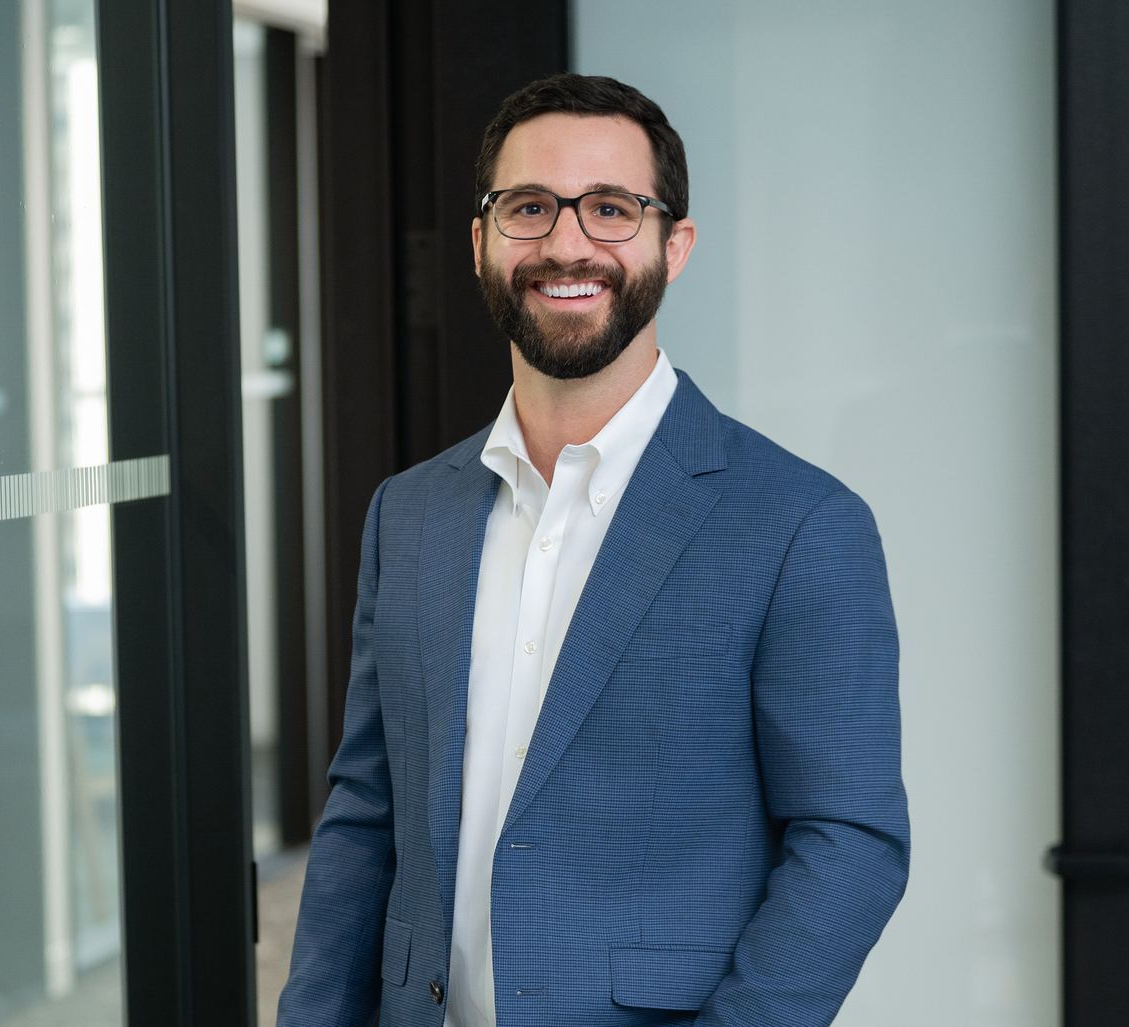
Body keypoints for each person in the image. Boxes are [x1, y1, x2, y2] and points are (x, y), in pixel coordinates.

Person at [277, 73, 908, 1027]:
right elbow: (367, 811)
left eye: (611, 208)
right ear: (481, 241)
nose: (567, 243)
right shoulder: (409, 515)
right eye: (529, 206)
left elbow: (850, 844)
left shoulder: (799, 524)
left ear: (674, 245)